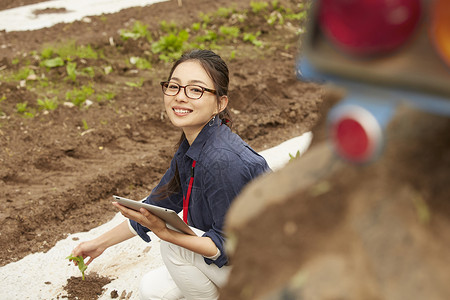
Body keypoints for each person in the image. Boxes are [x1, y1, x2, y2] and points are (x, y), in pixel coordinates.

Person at [70, 49, 270, 300]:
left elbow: (226, 247)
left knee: (175, 247)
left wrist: (166, 234)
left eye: (195, 90)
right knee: (152, 290)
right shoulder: (193, 147)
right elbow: (154, 207)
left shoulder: (222, 160)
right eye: (174, 87)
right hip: (243, 263)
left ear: (220, 103)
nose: (180, 97)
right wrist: (99, 244)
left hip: (274, 269)